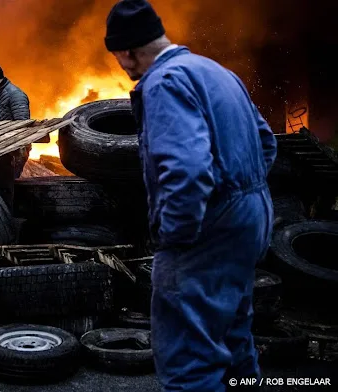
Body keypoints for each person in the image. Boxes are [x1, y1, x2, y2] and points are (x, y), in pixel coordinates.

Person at [105, 1, 277, 390]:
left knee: (188, 362)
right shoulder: (217, 72)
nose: (120, 64)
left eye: (117, 55)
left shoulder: (165, 81)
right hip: (250, 223)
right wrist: (240, 201)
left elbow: (187, 171)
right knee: (234, 342)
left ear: (129, 50)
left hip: (204, 234)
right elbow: (266, 143)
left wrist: (177, 238)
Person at [0, 60, 37, 179]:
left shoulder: (15, 95)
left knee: (8, 182)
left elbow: (22, 125)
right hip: (6, 147)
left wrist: (18, 151)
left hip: (15, 149)